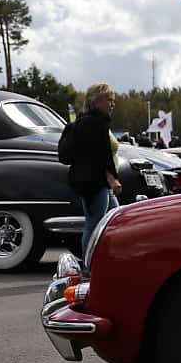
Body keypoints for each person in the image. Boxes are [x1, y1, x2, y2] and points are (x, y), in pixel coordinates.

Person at [67, 83, 122, 258]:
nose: (112, 104)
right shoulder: (96, 122)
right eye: (108, 100)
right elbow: (100, 155)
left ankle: (108, 258)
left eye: (113, 101)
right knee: (94, 224)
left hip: (94, 182)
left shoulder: (85, 121)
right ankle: (88, 266)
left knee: (115, 219)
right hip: (95, 183)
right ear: (95, 101)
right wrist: (112, 178)